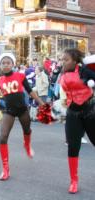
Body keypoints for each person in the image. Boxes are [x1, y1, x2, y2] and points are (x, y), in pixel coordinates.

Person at [0, 53, 44, 181]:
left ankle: (27, 145)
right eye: (3, 63)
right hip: (8, 111)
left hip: (22, 109)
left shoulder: (20, 75)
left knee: (26, 130)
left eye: (8, 62)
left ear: (13, 64)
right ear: (0, 65)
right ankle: (5, 169)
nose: (5, 65)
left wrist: (40, 102)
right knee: (3, 137)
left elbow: (30, 90)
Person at [59, 49, 95, 194]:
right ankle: (74, 181)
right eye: (62, 59)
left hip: (90, 112)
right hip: (73, 113)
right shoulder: (64, 73)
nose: (63, 62)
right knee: (73, 146)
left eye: (66, 59)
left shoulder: (85, 71)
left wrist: (91, 81)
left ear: (75, 61)